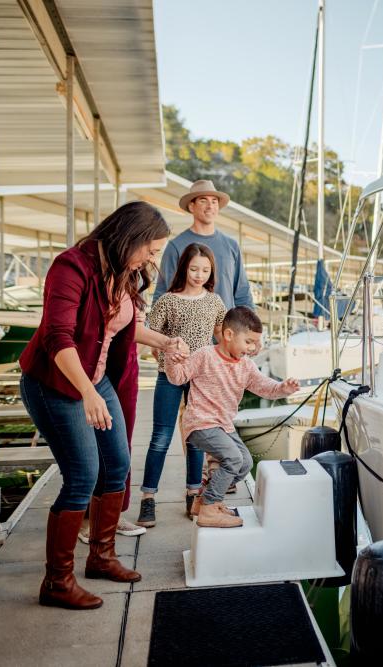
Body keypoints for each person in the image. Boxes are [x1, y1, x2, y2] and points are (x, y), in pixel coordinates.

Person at [19, 201, 190, 610]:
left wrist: (165, 342)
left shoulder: (123, 273)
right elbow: (57, 338)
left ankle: (101, 557)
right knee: (83, 474)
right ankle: (57, 583)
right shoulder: (71, 267)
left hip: (96, 380)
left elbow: (124, 329)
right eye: (149, 250)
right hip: (55, 383)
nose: (151, 259)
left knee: (117, 464)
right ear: (127, 237)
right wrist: (88, 393)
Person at [165, 307, 299, 528]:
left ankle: (202, 501)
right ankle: (209, 509)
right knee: (233, 459)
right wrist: (171, 359)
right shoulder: (205, 355)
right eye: (248, 342)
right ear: (228, 335)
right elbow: (178, 377)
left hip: (223, 426)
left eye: (256, 343)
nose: (254, 348)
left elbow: (264, 387)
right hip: (200, 422)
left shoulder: (245, 365)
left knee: (244, 463)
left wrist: (283, 388)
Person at [136, 244, 226, 527]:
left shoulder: (214, 302)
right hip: (168, 376)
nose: (199, 275)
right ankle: (148, 499)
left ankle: (193, 494)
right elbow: (152, 338)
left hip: (201, 379)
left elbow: (223, 335)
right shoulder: (167, 300)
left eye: (205, 270)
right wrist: (167, 354)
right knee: (160, 437)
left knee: (197, 437)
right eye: (194, 268)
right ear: (184, 268)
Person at [153, 179, 253, 311]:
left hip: (225, 329)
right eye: (203, 200)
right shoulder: (176, 246)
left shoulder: (231, 245)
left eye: (214, 201)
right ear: (191, 206)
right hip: (187, 329)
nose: (210, 206)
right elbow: (163, 293)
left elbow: (242, 292)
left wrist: (251, 325)